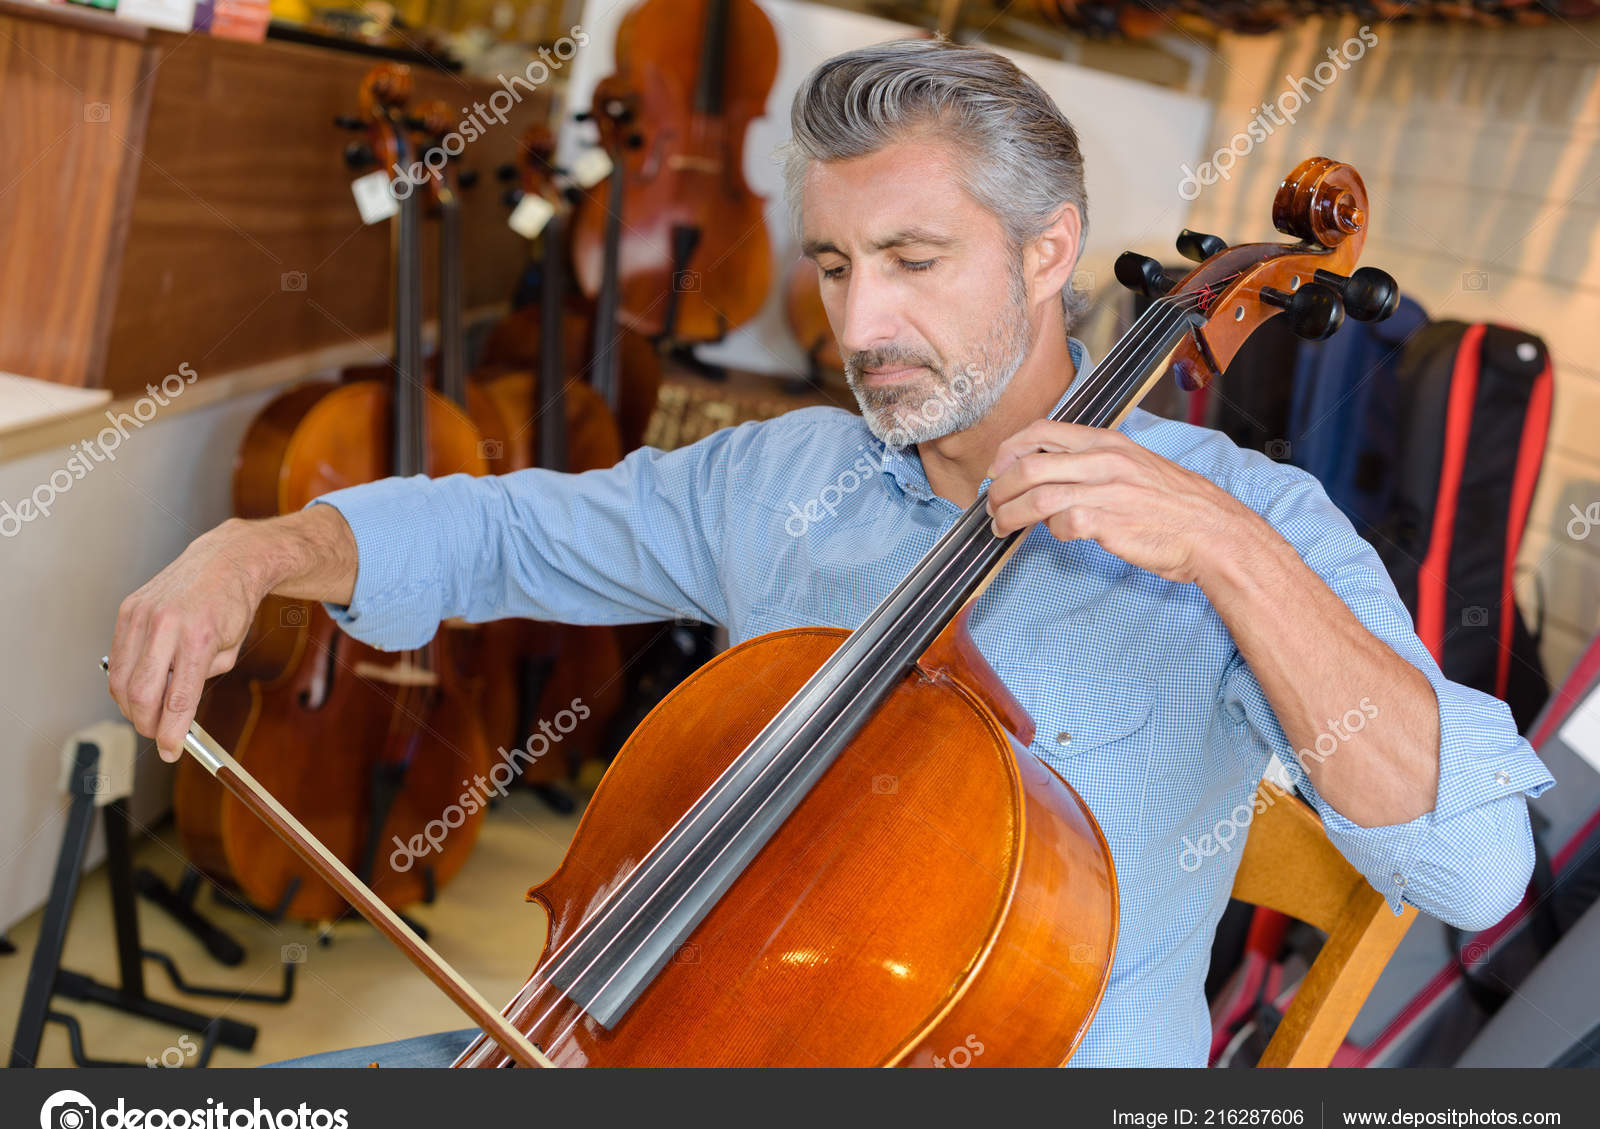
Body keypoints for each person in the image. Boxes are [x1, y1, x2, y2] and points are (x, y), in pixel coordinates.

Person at [106, 38, 1553, 1068]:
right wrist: (262, 547)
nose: (859, 330)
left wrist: (1235, 560)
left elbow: (1478, 868)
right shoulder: (791, 475)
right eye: (836, 265)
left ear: (1051, 253)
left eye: (915, 263)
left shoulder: (1258, 524)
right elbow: (506, 526)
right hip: (660, 1037)